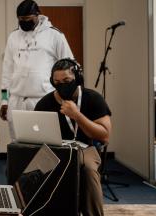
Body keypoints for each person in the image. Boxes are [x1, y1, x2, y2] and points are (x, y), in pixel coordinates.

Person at [34, 58, 112, 216]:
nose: (62, 85)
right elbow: (35, 132)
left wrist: (77, 115)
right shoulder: (44, 103)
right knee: (30, 171)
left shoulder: (93, 98)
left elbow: (105, 136)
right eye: (57, 81)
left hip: (85, 148)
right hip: (54, 149)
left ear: (78, 79)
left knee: (89, 171)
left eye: (67, 80)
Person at [0, 0, 74, 140]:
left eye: (28, 19)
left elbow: (69, 65)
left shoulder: (55, 35)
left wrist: (66, 96)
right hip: (16, 102)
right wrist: (4, 101)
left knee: (44, 144)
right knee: (18, 145)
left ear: (37, 15)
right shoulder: (13, 37)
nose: (24, 23)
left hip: (44, 99)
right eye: (21, 20)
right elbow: (6, 73)